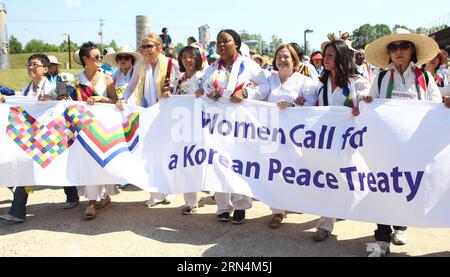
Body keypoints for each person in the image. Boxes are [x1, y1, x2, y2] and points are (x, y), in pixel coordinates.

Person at [363, 28, 443, 256]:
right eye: (393, 47)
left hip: (413, 146)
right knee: (382, 189)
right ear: (388, 53)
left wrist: (444, 106)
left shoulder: (425, 78)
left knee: (406, 186)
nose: (398, 51)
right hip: (386, 145)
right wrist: (367, 103)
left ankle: (401, 225)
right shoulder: (381, 78)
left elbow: (436, 109)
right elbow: (369, 108)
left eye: (403, 46)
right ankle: (380, 238)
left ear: (412, 51)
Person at [202, 29, 270, 224]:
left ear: (237, 44)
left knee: (239, 163)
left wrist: (246, 93)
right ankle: (223, 206)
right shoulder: (212, 68)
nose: (221, 45)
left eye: (226, 41)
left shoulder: (249, 66)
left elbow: (265, 87)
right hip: (216, 125)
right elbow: (205, 87)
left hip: (241, 125)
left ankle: (240, 205)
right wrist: (204, 93)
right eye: (218, 42)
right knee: (218, 163)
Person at [308, 38, 370, 241]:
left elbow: (367, 104)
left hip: (349, 144)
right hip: (326, 142)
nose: (325, 59)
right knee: (328, 181)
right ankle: (325, 223)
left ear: (341, 57)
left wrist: (363, 105)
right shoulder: (320, 83)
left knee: (349, 181)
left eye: (330, 55)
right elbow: (312, 107)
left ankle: (343, 209)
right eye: (325, 55)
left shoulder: (357, 82)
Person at [118, 33, 178, 207]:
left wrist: (172, 91)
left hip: (167, 114)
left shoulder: (170, 63)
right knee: (150, 154)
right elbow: (131, 86)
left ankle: (170, 189)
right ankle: (155, 193)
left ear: (159, 47)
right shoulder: (140, 65)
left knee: (168, 152)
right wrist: (123, 98)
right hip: (147, 113)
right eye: (142, 47)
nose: (145, 50)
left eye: (149, 46)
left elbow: (182, 83)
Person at [0, 54, 57, 223]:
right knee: (22, 166)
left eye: (35, 65)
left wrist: (50, 100)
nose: (30, 67)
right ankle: (18, 209)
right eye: (29, 65)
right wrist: (7, 101)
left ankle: (18, 210)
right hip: (30, 136)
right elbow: (19, 105)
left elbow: (65, 103)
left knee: (42, 167)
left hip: (50, 135)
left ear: (45, 69)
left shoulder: (53, 88)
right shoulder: (25, 88)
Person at [266, 44, 317, 228]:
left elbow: (311, 106)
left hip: (295, 136)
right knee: (274, 171)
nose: (282, 60)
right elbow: (259, 97)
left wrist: (293, 107)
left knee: (294, 170)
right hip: (272, 135)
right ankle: (277, 211)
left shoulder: (304, 82)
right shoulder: (269, 80)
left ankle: (296, 201)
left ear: (294, 61)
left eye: (286, 57)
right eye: (279, 57)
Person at [73, 42, 118, 219]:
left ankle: (105, 194)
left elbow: (116, 101)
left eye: (101, 56)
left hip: (103, 128)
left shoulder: (107, 78)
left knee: (102, 162)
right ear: (85, 59)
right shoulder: (76, 80)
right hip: (83, 127)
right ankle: (91, 201)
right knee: (88, 163)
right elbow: (68, 101)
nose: (100, 59)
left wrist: (102, 99)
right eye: (96, 56)